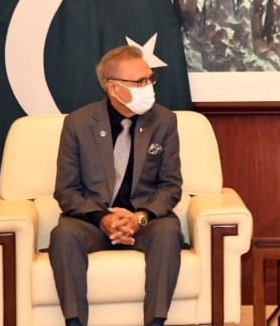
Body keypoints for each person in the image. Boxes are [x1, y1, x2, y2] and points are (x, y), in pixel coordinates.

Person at [49, 45, 184, 326]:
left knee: (169, 231)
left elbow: (170, 186)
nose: (148, 87)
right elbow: (66, 190)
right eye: (140, 82)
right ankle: (74, 323)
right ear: (114, 88)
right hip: (92, 222)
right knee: (63, 234)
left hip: (145, 222)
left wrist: (140, 217)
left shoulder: (164, 121)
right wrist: (103, 219)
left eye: (150, 79)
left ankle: (156, 322)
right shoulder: (78, 123)